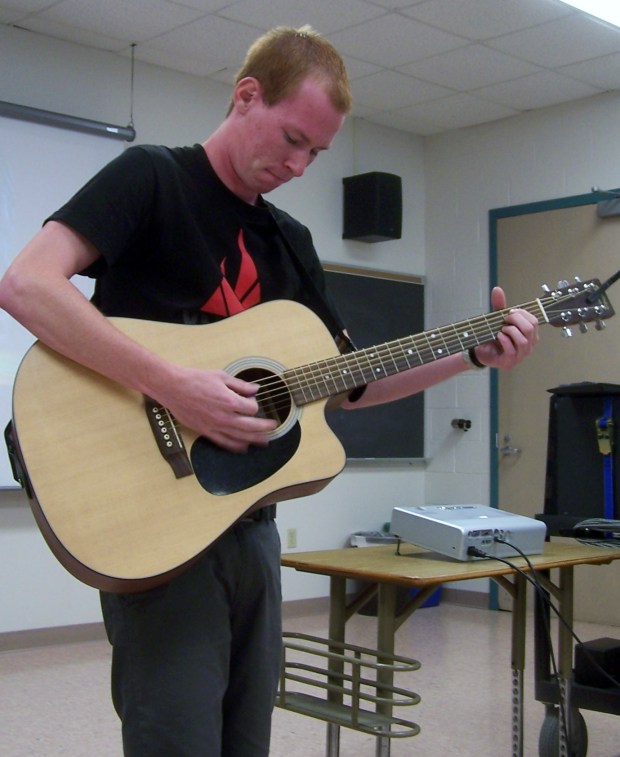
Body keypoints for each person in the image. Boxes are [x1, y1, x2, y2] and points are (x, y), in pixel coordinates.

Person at [0, 25, 538, 757]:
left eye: (315, 153)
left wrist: (469, 355)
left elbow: (350, 387)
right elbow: (27, 283)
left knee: (246, 742)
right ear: (246, 96)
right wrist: (175, 386)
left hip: (252, 528)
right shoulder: (152, 178)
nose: (297, 165)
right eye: (291, 139)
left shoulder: (290, 241)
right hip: (160, 525)